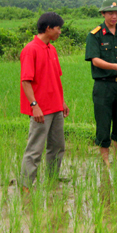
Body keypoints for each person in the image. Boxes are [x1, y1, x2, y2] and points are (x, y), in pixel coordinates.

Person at [20, 12, 70, 193]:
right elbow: (25, 81)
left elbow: (55, 77)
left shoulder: (51, 48)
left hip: (56, 107)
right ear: (48, 29)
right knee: (35, 149)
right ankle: (26, 186)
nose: (60, 32)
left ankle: (52, 180)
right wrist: (35, 106)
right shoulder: (30, 49)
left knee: (57, 147)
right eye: (58, 28)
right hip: (41, 109)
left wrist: (62, 101)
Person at [85, 0, 117, 168]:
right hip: (103, 86)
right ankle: (106, 160)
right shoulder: (95, 35)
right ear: (103, 14)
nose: (114, 16)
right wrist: (115, 66)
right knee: (103, 122)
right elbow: (95, 60)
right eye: (110, 13)